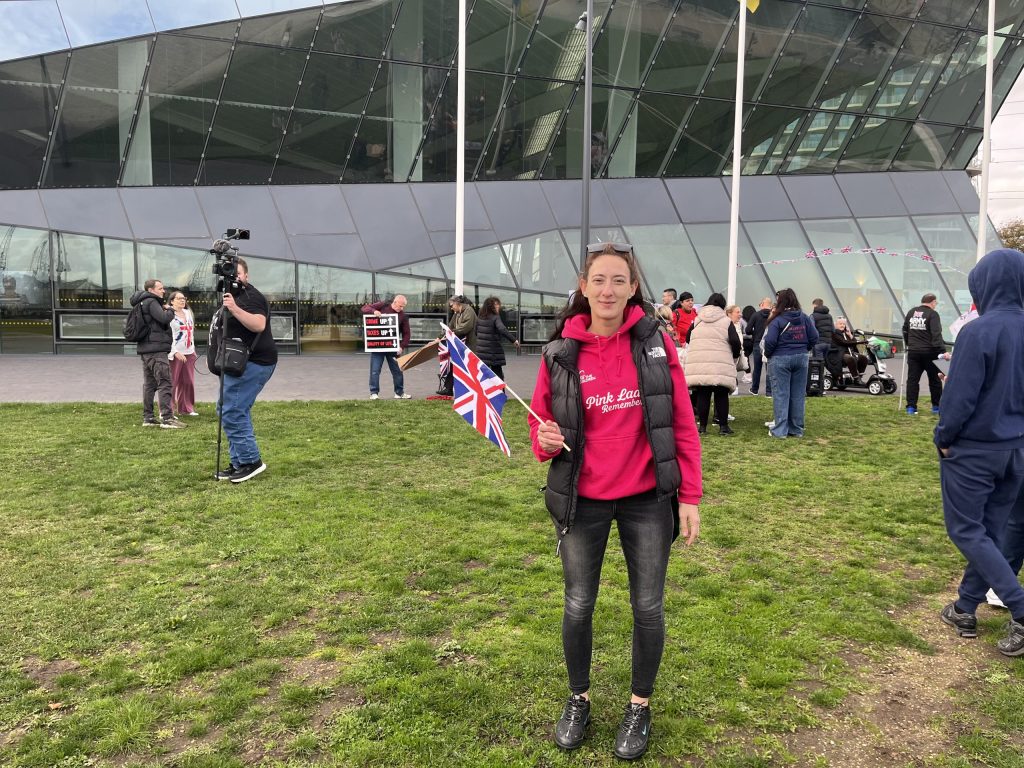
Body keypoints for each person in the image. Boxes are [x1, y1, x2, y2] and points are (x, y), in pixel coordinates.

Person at [528, 243, 702, 760]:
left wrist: (689, 494)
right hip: (582, 501)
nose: (608, 290)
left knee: (647, 606)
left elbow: (682, 422)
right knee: (579, 603)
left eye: (618, 281)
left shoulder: (654, 345)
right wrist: (545, 442)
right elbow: (541, 425)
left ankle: (638, 706)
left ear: (632, 289)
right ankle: (578, 698)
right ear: (583, 287)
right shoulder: (560, 352)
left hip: (647, 500)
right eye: (598, 280)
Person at [933, 248, 1024, 656]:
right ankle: (966, 606)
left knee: (967, 530)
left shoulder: (978, 331)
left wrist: (944, 436)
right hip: (1016, 449)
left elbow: (959, 397)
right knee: (987, 532)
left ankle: (1020, 609)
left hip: (974, 449)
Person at [216, 258, 278, 483]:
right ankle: (239, 462)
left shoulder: (251, 297)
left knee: (233, 410)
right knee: (226, 408)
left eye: (237, 274)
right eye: (229, 275)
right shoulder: (234, 296)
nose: (233, 278)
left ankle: (251, 461)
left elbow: (258, 324)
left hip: (255, 362)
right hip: (237, 362)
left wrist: (233, 308)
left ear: (246, 276)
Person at [762, 288, 818, 439]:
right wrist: (804, 348)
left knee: (781, 394)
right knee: (798, 395)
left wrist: (769, 354)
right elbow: (814, 336)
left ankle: (780, 430)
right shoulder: (804, 317)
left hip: (780, 358)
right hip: (801, 357)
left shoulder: (777, 320)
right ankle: (796, 429)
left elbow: (770, 342)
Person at [129, 279, 184, 429]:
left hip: (146, 349)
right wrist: (171, 309)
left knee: (149, 385)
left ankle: (148, 418)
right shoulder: (151, 302)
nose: (163, 290)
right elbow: (164, 318)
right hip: (156, 350)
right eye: (160, 288)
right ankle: (167, 418)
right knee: (165, 382)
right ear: (151, 290)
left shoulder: (141, 302)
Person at [685, 294, 741, 435]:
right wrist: (734, 356)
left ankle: (702, 427)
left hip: (701, 362)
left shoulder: (697, 320)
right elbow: (735, 342)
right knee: (721, 394)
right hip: (720, 362)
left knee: (703, 394)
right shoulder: (726, 321)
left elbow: (688, 337)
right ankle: (723, 427)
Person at [902, 292, 948, 415]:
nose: (936, 305)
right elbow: (936, 334)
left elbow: (905, 330)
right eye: (936, 303)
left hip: (914, 352)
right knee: (934, 380)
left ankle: (911, 407)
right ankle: (936, 407)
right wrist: (943, 352)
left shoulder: (911, 312)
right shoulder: (933, 314)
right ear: (932, 302)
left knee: (912, 380)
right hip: (930, 352)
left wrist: (909, 344)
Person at [360, 294, 412, 400]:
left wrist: (401, 346)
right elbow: (365, 308)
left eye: (403, 307)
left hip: (393, 347)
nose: (402, 309)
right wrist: (374, 312)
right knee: (375, 370)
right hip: (377, 346)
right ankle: (374, 393)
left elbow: (407, 334)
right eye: (400, 306)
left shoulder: (403, 316)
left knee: (397, 370)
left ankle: (399, 393)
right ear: (395, 302)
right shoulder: (382, 305)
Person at [439, 294, 478, 396]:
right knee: (453, 366)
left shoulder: (469, 311)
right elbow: (450, 327)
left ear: (457, 303)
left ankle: (471, 390)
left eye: (452, 305)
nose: (451, 308)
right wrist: (440, 337)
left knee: (470, 369)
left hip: (469, 346)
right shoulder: (457, 313)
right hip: (461, 346)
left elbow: (465, 328)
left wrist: (450, 333)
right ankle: (448, 388)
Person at [167, 291, 198, 418]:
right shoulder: (168, 315)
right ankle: (169, 410)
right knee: (172, 382)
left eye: (183, 298)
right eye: (178, 298)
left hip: (189, 352)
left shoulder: (188, 313)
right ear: (172, 301)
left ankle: (186, 408)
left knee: (188, 381)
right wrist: (174, 351)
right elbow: (167, 335)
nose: (182, 300)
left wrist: (193, 349)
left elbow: (191, 332)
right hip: (176, 353)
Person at [475, 296, 519, 380]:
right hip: (493, 351)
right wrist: (513, 340)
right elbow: (502, 329)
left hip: (481, 351)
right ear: (491, 306)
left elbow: (475, 331)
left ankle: (485, 392)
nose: (498, 306)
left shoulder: (480, 316)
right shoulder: (495, 317)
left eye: (498, 304)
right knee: (498, 375)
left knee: (484, 376)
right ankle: (500, 392)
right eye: (496, 304)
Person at [746, 297, 773, 396]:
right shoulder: (773, 315)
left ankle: (755, 389)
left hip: (757, 344)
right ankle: (769, 392)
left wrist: (755, 333)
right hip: (769, 344)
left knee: (757, 368)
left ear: (762, 304)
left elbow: (748, 330)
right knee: (769, 369)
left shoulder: (756, 315)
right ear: (770, 305)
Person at [830, 317, 865, 383]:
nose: (842, 325)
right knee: (850, 358)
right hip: (839, 354)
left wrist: (850, 335)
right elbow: (844, 342)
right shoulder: (834, 333)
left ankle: (859, 377)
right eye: (840, 324)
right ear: (836, 325)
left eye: (844, 324)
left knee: (863, 358)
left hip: (850, 352)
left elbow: (853, 343)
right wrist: (859, 342)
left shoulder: (846, 333)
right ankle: (856, 378)